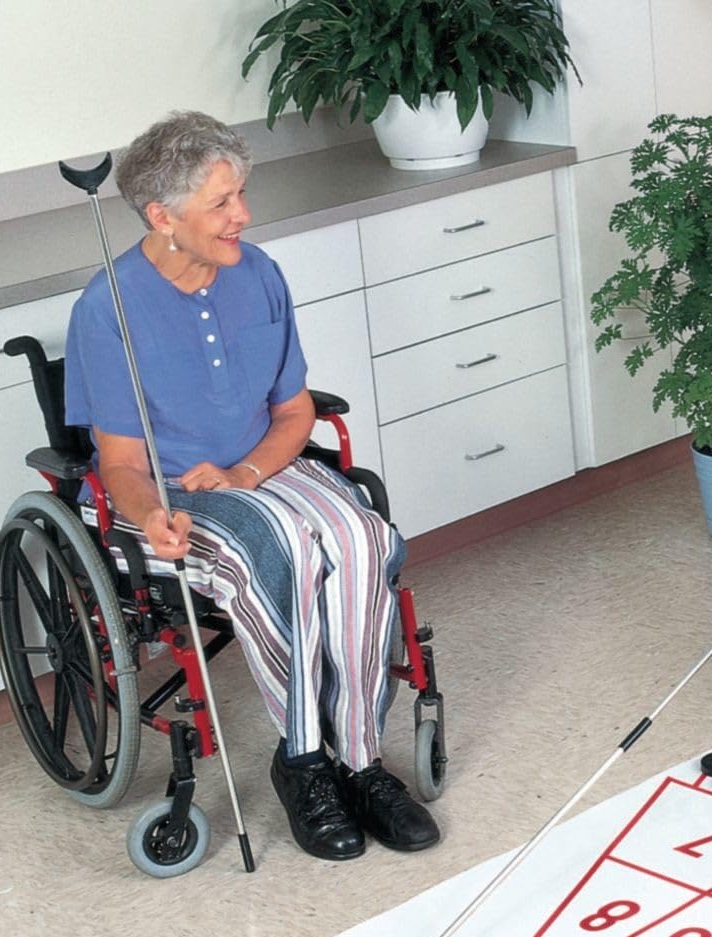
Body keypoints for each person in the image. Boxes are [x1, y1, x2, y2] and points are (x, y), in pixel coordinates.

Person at [64, 111, 440, 859]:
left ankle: (360, 761)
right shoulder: (107, 311)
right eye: (223, 203)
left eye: (242, 194)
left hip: (259, 469)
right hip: (168, 496)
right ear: (161, 216)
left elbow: (294, 413)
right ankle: (304, 761)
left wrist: (245, 471)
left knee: (360, 536)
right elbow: (122, 467)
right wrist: (155, 514)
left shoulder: (258, 273)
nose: (245, 215)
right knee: (286, 554)